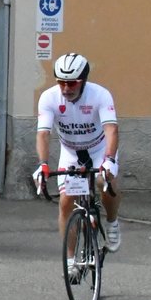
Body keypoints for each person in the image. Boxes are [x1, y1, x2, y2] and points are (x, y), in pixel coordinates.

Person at [34, 52, 122, 279]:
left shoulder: (100, 95)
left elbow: (112, 130)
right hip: (71, 153)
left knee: (105, 182)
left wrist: (109, 160)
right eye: (61, 82)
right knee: (65, 202)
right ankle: (71, 260)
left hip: (99, 150)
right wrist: (43, 164)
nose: (65, 88)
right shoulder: (49, 98)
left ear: (82, 80)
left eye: (71, 83)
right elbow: (43, 134)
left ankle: (112, 222)